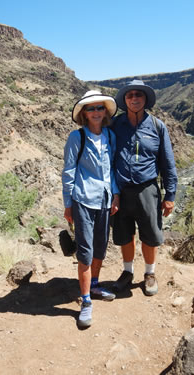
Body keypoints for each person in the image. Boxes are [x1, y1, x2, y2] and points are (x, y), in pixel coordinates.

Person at [111, 79, 178, 296]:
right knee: (125, 234)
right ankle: (127, 271)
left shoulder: (158, 127)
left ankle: (150, 274)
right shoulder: (115, 125)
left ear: (145, 99)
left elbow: (168, 163)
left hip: (147, 189)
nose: (134, 99)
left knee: (149, 234)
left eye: (138, 95)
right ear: (125, 100)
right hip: (121, 190)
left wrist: (170, 194)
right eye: (130, 95)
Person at [62, 90, 120, 328]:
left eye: (99, 108)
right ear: (84, 114)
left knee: (100, 247)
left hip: (105, 200)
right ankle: (85, 301)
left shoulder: (109, 135)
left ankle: (94, 284)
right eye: (91, 108)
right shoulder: (77, 138)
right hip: (83, 200)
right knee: (85, 251)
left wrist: (115, 194)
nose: (96, 112)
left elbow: (111, 169)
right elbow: (68, 172)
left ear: (105, 112)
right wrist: (68, 204)